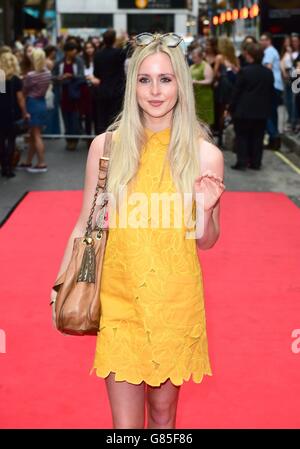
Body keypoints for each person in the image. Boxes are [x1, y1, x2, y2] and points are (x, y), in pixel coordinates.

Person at [50, 32, 225, 429]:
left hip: (174, 303)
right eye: (145, 79)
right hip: (119, 299)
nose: (156, 90)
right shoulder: (107, 146)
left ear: (181, 83)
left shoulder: (204, 155)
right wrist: (62, 282)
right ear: (133, 86)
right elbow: (86, 222)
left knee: (164, 417)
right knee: (125, 427)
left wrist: (206, 207)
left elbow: (207, 240)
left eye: (166, 79)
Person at [229, 43, 274, 170]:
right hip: (261, 112)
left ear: (249, 56)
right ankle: (256, 162)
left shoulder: (244, 72)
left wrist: (230, 108)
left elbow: (236, 92)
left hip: (244, 111)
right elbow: (270, 93)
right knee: (258, 137)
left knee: (242, 136)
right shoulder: (268, 73)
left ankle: (242, 162)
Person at [18, 48, 51, 172]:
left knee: (36, 135)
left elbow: (24, 90)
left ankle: (41, 163)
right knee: (33, 134)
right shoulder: (47, 73)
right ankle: (28, 162)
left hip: (32, 103)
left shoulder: (31, 75)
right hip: (42, 102)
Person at [0, 52, 29, 177]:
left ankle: (3, 166)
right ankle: (9, 168)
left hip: (1, 112)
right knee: (11, 140)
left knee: (0, 141)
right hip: (12, 114)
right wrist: (25, 113)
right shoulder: (16, 79)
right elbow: (20, 99)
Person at [52, 41, 85, 151]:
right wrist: (60, 77)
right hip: (63, 94)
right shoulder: (59, 63)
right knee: (65, 118)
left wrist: (72, 76)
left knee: (75, 118)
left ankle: (74, 140)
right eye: (72, 50)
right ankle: (68, 139)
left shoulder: (79, 61)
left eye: (75, 50)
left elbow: (82, 76)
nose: (74, 52)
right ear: (66, 51)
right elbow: (53, 76)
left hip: (75, 94)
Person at [93, 28, 127, 134]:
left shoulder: (98, 54)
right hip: (117, 90)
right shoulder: (119, 53)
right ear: (114, 40)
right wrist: (124, 39)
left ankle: (101, 143)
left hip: (103, 90)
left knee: (102, 119)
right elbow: (128, 50)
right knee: (116, 119)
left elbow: (96, 73)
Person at [214, 36, 240, 147]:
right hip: (233, 88)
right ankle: (233, 139)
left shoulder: (220, 57)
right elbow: (239, 72)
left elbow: (215, 73)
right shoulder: (235, 58)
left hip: (223, 88)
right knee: (232, 111)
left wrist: (220, 76)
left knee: (221, 112)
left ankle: (220, 139)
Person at [260, 32, 284, 150]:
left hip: (272, 85)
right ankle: (274, 141)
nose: (261, 42)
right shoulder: (273, 51)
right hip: (277, 85)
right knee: (273, 114)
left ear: (268, 40)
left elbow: (267, 68)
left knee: (267, 113)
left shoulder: (269, 51)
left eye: (263, 40)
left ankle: (274, 137)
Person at [190, 46, 214, 126]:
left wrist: (197, 82)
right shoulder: (192, 66)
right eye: (193, 57)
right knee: (197, 117)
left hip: (205, 96)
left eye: (195, 57)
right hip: (195, 96)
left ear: (200, 57)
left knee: (205, 117)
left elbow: (209, 80)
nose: (194, 59)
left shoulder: (206, 66)